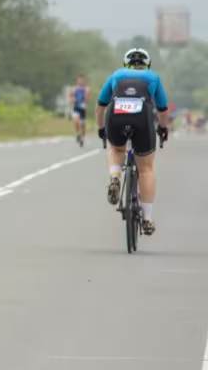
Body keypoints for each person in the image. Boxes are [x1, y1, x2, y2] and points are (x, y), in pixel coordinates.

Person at [96, 47, 169, 236]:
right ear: (147, 64)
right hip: (142, 116)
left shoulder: (116, 75)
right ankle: (147, 219)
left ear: (125, 64)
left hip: (116, 114)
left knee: (117, 149)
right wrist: (163, 128)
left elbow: (101, 106)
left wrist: (101, 129)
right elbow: (163, 109)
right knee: (146, 169)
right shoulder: (153, 77)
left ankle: (115, 177)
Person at [70, 75, 90, 146]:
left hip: (82, 108)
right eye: (79, 80)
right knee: (76, 122)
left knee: (82, 124)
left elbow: (88, 99)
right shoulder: (74, 89)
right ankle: (77, 134)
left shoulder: (86, 89)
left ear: (83, 81)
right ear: (77, 81)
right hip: (76, 107)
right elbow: (70, 97)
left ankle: (82, 138)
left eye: (81, 80)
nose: (80, 81)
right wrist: (73, 99)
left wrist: (86, 97)